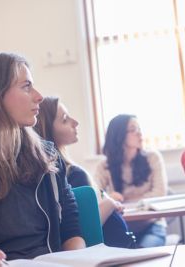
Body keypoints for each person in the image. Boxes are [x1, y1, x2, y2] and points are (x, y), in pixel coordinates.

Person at [0, 52, 85, 266]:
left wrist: (77, 261)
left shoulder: (47, 154)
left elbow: (71, 229)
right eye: (26, 86)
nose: (38, 96)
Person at [34, 97, 137, 248]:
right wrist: (110, 204)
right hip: (110, 251)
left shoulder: (69, 170)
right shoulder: (72, 175)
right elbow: (84, 228)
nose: (75, 122)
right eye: (64, 119)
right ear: (48, 130)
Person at [94, 114, 168, 248]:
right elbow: (95, 197)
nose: (139, 133)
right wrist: (110, 198)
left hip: (152, 226)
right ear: (119, 135)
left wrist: (119, 201)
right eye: (133, 129)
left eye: (139, 129)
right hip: (120, 228)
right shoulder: (104, 166)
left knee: (144, 252)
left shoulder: (153, 158)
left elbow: (160, 193)